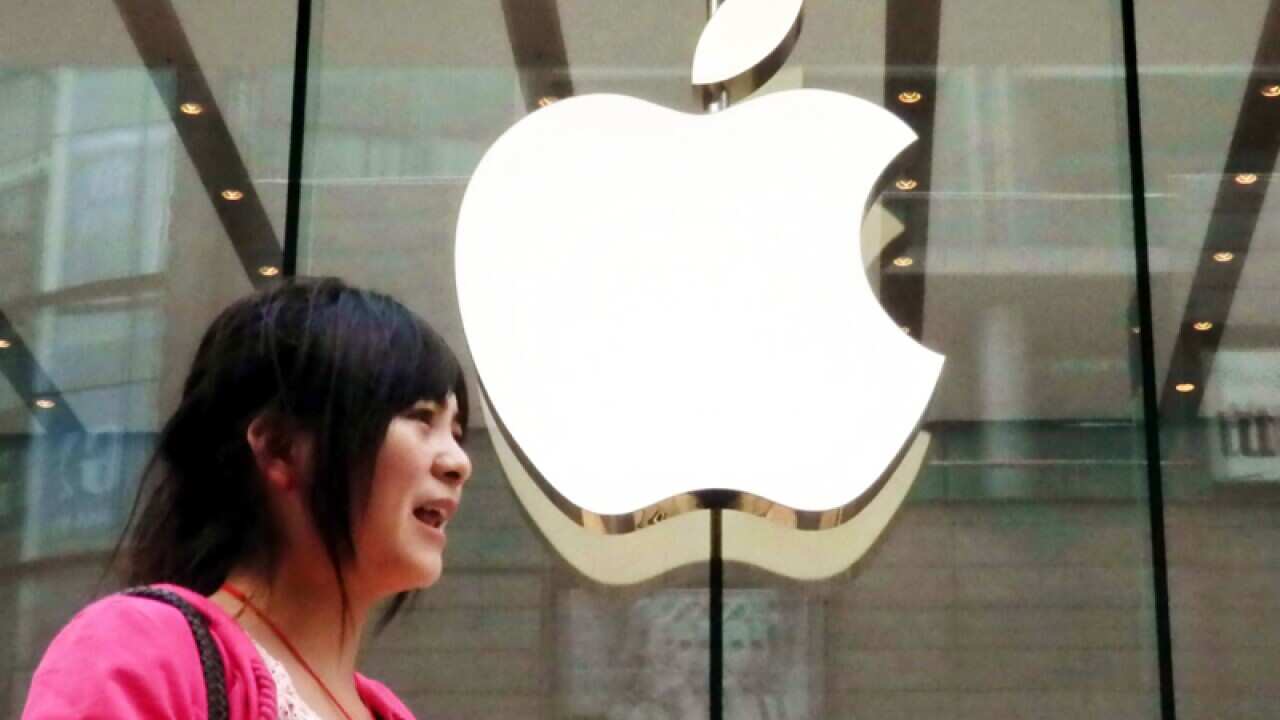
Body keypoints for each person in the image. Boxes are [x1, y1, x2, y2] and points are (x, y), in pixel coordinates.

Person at [22, 277, 472, 720]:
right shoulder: (137, 651)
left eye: (456, 432)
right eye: (421, 417)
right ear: (280, 448)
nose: (459, 463)